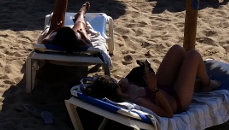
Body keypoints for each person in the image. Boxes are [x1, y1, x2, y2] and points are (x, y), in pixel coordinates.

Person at [81, 45, 221, 117]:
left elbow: (132, 83)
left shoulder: (124, 92)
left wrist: (126, 80)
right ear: (115, 90)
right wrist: (154, 89)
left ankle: (189, 80)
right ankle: (207, 84)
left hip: (162, 87)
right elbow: (168, 114)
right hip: (177, 100)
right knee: (193, 55)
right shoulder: (138, 101)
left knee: (177, 50)